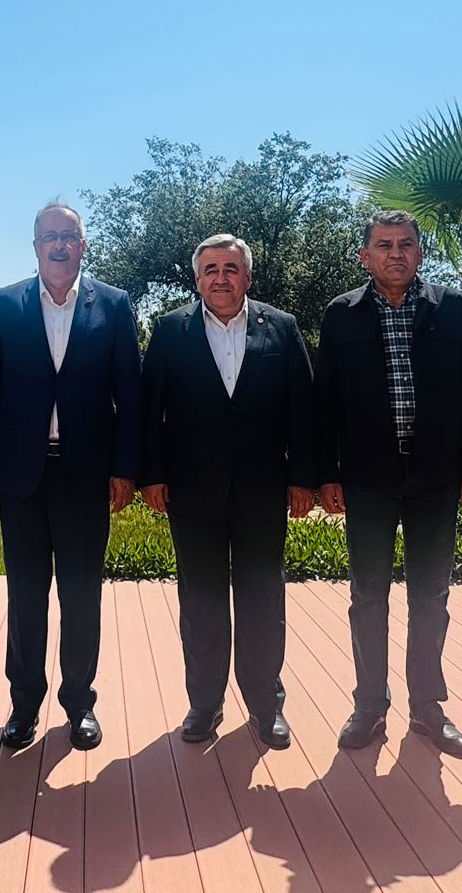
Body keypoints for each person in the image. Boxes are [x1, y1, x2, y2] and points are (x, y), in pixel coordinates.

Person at [315, 209, 462, 755]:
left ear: (420, 252)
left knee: (431, 595)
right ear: (365, 256)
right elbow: (325, 400)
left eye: (406, 244)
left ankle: (427, 708)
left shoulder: (452, 309)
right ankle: (370, 705)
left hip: (437, 476)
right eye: (384, 244)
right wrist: (326, 474)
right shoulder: (341, 315)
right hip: (367, 478)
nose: (396, 253)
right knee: (368, 594)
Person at [0, 201, 141, 751]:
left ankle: (79, 703)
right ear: (36, 246)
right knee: (25, 594)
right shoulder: (5, 303)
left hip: (86, 474)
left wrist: (125, 468)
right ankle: (24, 704)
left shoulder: (113, 305)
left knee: (81, 593)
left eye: (69, 236)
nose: (59, 245)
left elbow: (130, 394)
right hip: (22, 473)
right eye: (50, 237)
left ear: (83, 246)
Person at [139, 234, 317, 750]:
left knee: (263, 600)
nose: (221, 277)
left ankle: (266, 706)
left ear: (248, 277)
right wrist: (152, 475)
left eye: (231, 268)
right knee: (201, 603)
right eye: (211, 269)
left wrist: (303, 478)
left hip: (263, 490)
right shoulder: (170, 330)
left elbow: (303, 409)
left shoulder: (281, 327)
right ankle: (204, 703)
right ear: (197, 279)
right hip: (193, 492)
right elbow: (150, 410)